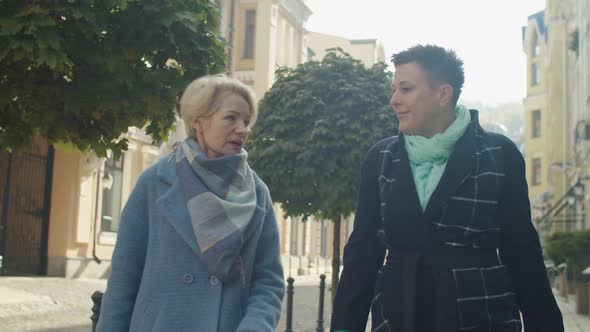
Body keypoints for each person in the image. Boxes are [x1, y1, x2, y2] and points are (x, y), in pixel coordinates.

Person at [330, 45, 563, 332]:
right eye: (395, 89)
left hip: (483, 318)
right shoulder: (381, 159)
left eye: (406, 89)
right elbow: (363, 254)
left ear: (443, 94)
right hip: (399, 317)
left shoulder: (498, 154)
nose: (394, 100)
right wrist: (343, 327)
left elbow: (522, 252)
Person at [96, 75, 285, 332]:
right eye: (231, 118)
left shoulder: (257, 192)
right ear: (198, 122)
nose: (242, 129)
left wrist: (254, 327)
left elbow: (268, 280)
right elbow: (124, 276)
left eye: (246, 121)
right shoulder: (155, 182)